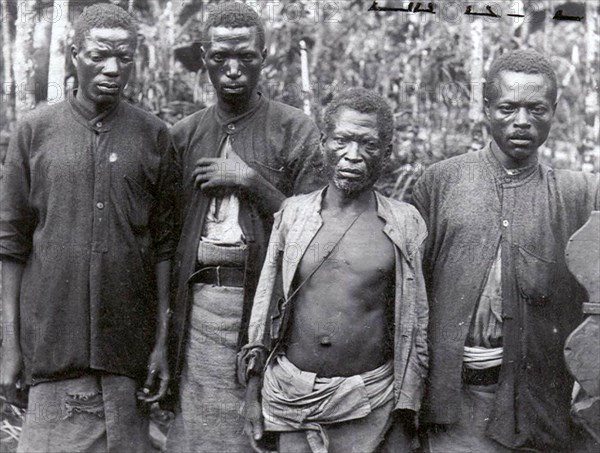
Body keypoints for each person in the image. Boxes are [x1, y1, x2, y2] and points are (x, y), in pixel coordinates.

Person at [0, 3, 177, 452]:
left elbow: (164, 248)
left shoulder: (155, 136)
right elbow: (11, 245)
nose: (112, 68)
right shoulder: (34, 132)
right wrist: (10, 347)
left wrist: (160, 344)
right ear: (74, 52)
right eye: (99, 54)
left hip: (127, 357)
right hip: (54, 350)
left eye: (125, 56)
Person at [412, 49, 600, 452]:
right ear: (486, 109)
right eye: (507, 108)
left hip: (540, 409)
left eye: (536, 109)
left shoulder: (580, 193)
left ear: (554, 110)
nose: (521, 122)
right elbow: (408, 296)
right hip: (454, 409)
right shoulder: (440, 183)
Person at [165, 3, 325, 452]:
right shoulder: (183, 135)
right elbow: (166, 240)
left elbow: (318, 230)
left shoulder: (295, 129)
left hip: (266, 308)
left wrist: (251, 182)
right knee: (196, 432)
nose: (233, 69)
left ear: (264, 55)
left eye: (246, 57)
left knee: (257, 431)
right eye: (220, 58)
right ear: (203, 57)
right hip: (198, 311)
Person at [238, 88, 429, 453]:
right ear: (323, 143)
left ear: (386, 154)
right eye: (342, 140)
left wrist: (407, 410)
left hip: (368, 401)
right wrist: (252, 392)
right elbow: (264, 306)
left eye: (368, 145)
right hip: (291, 396)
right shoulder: (293, 215)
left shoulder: (404, 224)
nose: (353, 156)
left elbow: (414, 325)